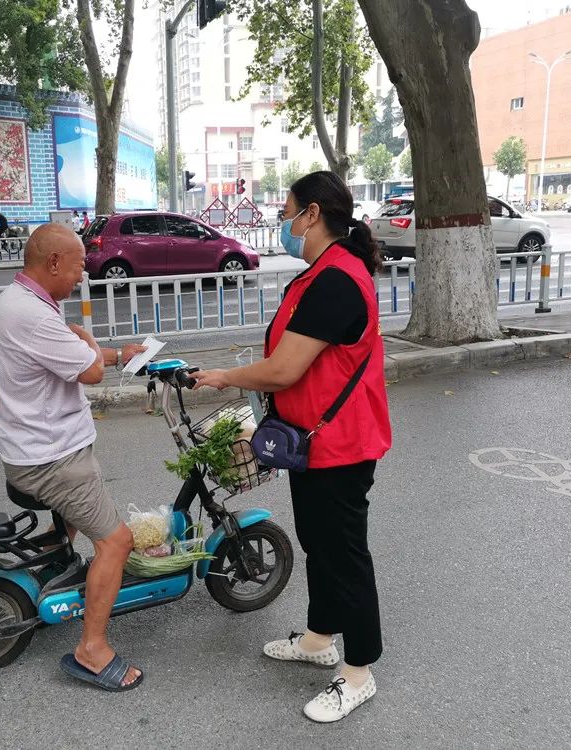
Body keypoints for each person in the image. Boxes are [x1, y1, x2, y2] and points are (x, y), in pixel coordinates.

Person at [192, 171, 392, 723]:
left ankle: (358, 673)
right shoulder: (322, 273)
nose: (283, 221)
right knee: (318, 543)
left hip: (341, 444)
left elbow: (284, 369)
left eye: (288, 210)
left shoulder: (337, 280)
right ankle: (317, 639)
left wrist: (223, 377)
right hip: (313, 443)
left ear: (312, 215)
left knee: (344, 554)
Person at [0, 223, 147, 692]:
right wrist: (95, 348)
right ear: (53, 261)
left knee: (75, 521)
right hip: (51, 461)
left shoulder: (18, 301)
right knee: (117, 543)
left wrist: (119, 355)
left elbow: (71, 359)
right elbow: (88, 369)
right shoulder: (35, 315)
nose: (82, 274)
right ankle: (91, 650)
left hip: (35, 450)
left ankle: (58, 565)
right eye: (78, 265)